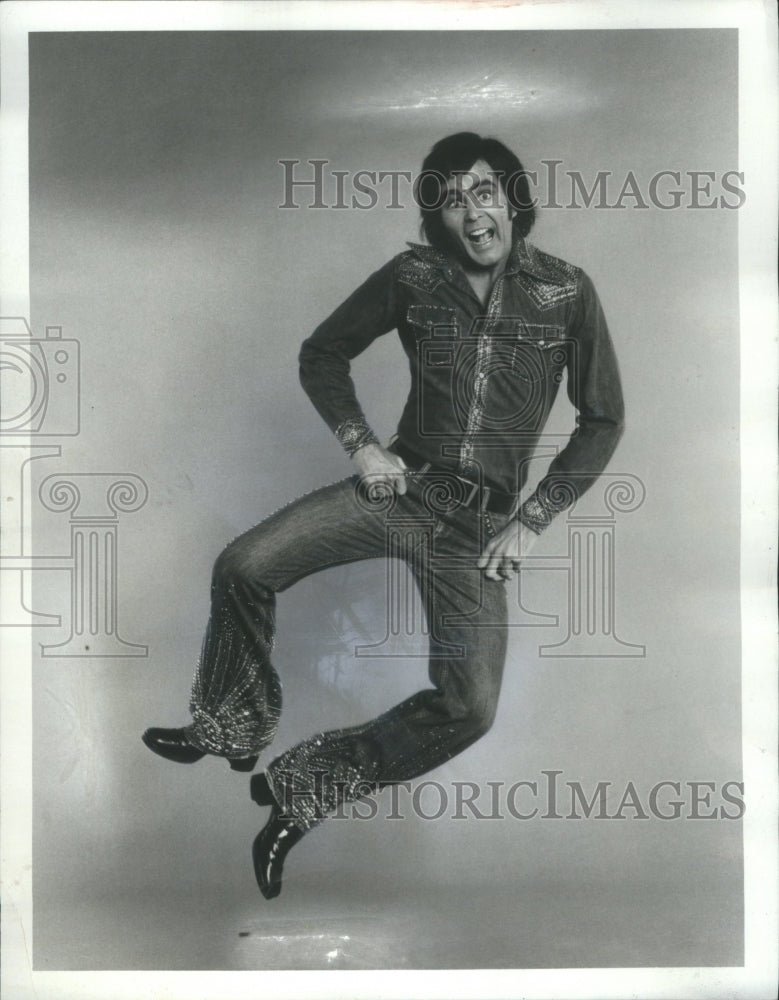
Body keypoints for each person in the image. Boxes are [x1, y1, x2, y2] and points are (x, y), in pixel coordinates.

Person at [143, 132, 624, 899]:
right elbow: (322, 353)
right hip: (401, 492)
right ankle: (230, 724)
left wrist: (531, 519)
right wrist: (362, 446)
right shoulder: (413, 276)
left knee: (469, 707)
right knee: (242, 564)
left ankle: (302, 792)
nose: (473, 215)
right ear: (438, 217)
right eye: (454, 200)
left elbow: (601, 420)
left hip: (476, 530)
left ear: (512, 197)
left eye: (485, 192)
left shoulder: (567, 292)